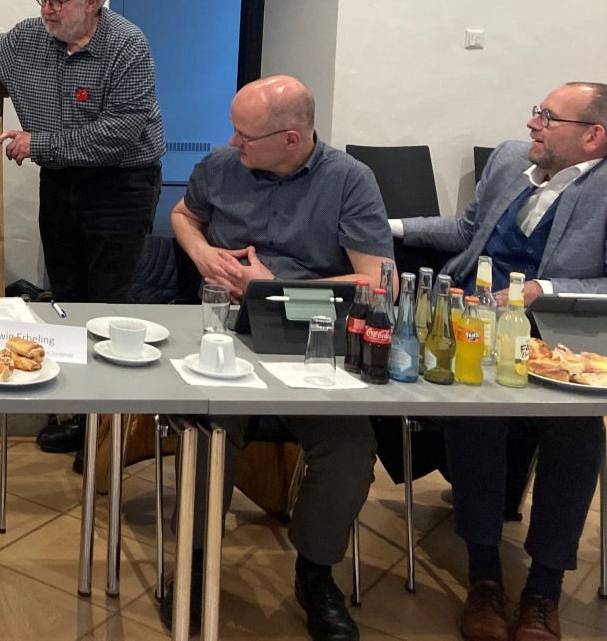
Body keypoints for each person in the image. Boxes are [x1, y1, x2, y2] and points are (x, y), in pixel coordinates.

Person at [168, 75, 391, 641]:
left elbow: (377, 281)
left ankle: (315, 573)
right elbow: (184, 216)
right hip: (223, 331)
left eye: (246, 136)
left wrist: (277, 291)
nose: (233, 143)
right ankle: (195, 559)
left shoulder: (349, 180)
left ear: (292, 139)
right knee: (209, 432)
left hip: (307, 337)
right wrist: (202, 253)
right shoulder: (221, 165)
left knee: (349, 449)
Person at [0, 0, 164, 453]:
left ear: (91, 2)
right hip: (61, 183)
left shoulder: (127, 46)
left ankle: (109, 432)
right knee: (66, 300)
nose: (46, 10)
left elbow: (122, 132)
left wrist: (40, 144)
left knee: (108, 304)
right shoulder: (30, 38)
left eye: (57, 1)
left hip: (121, 186)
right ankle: (79, 416)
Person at [394, 84, 607, 641]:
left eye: (548, 117)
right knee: (476, 410)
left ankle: (544, 589)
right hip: (468, 328)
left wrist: (544, 288)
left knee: (580, 432)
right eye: (537, 112)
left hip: (551, 343)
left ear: (593, 136)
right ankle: (484, 576)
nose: (532, 123)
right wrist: (386, 227)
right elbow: (467, 232)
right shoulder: (513, 160)